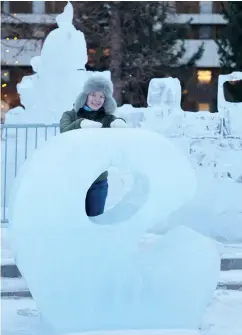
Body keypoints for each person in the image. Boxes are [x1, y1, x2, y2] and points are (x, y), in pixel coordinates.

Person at [60, 76, 126, 217]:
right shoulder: (70, 115)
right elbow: (64, 132)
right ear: (85, 95)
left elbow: (119, 126)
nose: (97, 99)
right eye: (93, 94)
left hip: (98, 182)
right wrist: (80, 123)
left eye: (102, 96)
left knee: (95, 219)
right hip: (74, 179)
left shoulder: (107, 118)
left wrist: (120, 123)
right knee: (72, 220)